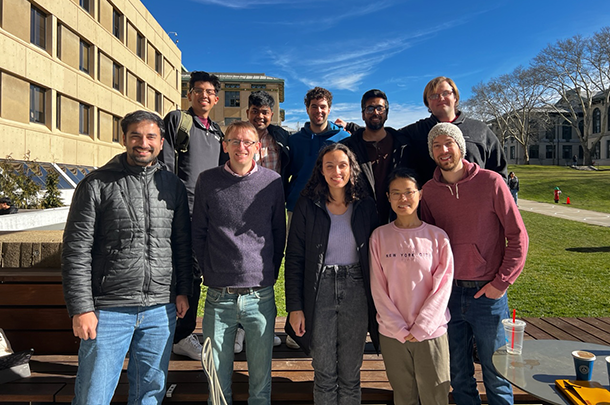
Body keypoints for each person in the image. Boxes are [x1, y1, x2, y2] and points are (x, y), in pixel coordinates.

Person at [61, 110, 192, 404]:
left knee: (149, 394)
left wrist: (183, 290)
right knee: (93, 395)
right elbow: (76, 249)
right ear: (124, 139)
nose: (142, 143)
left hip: (160, 309)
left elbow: (182, 244)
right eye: (135, 136)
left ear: (160, 143)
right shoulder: (96, 184)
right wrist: (81, 308)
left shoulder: (173, 186)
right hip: (108, 310)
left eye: (150, 137)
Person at [419, 123, 528, 405]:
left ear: (460, 146)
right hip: (449, 294)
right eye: (436, 146)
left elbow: (518, 236)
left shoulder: (491, 182)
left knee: (497, 373)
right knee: (458, 373)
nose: (443, 150)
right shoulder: (428, 192)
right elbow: (429, 244)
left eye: (448, 143)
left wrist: (500, 283)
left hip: (487, 295)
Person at [192, 121, 286, 405]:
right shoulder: (207, 180)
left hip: (260, 295)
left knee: (260, 383)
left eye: (248, 142)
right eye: (235, 141)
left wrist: (267, 272)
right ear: (225, 145)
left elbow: (278, 233)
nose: (241, 147)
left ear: (258, 147)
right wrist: (210, 271)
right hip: (219, 297)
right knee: (216, 383)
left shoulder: (272, 182)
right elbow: (199, 232)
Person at [284, 143, 379, 404]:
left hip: (356, 289)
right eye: (330, 166)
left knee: (350, 375)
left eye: (342, 165)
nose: (336, 171)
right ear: (321, 171)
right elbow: (294, 258)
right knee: (324, 374)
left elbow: (377, 257)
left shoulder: (365, 205)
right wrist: (295, 307)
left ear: (351, 169)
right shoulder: (307, 204)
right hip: (319, 289)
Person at [370, 168, 453, 405]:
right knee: (404, 397)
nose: (402, 199)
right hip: (393, 334)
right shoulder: (379, 236)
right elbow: (378, 287)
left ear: (420, 194)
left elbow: (443, 287)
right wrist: (398, 328)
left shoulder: (438, 237)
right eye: (396, 193)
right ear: (388, 197)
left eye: (408, 192)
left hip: (431, 333)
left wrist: (422, 327)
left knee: (435, 398)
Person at [160, 71, 225, 360]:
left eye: (210, 91)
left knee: (196, 271)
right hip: (180, 210)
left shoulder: (217, 132)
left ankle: (181, 332)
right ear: (189, 94)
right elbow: (165, 164)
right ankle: (180, 334)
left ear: (216, 98)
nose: (204, 95)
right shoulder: (178, 120)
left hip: (207, 213)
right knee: (180, 272)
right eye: (198, 90)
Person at [401, 77, 507, 184]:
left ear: (455, 97)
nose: (441, 98)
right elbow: (386, 137)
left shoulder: (480, 130)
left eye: (446, 93)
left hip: (476, 199)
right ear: (427, 103)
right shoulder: (415, 132)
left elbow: (499, 172)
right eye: (434, 96)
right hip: (432, 199)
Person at [340, 89, 409, 223]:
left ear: (386, 113)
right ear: (363, 114)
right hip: (359, 220)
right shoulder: (347, 148)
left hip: (396, 219)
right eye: (370, 108)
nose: (375, 112)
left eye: (380, 108)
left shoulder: (403, 145)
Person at [285, 87, 350, 214]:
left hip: (331, 207)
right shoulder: (294, 140)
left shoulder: (344, 139)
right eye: (314, 106)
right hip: (297, 206)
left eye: (323, 107)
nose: (318, 111)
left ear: (329, 110)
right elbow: (287, 172)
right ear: (307, 109)